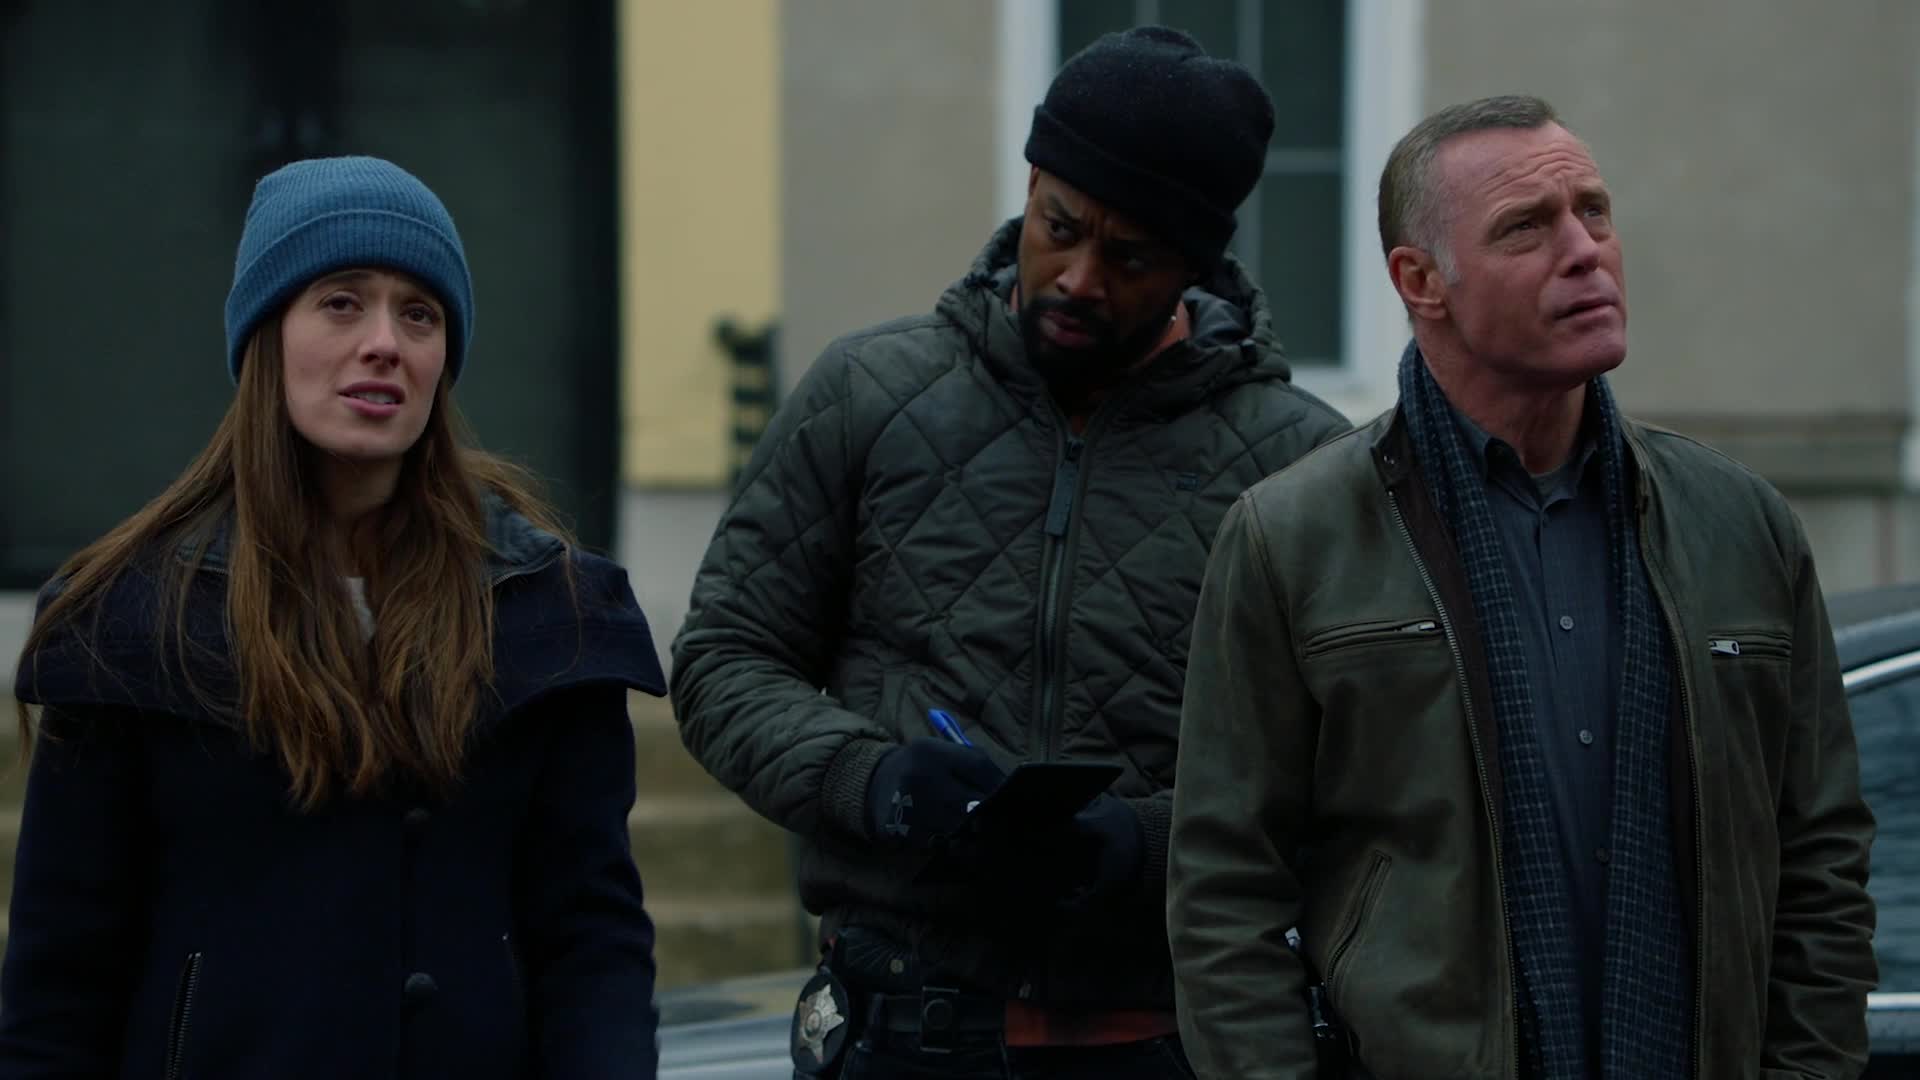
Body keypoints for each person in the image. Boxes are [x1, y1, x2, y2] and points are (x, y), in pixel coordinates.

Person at [670, 25, 1350, 1080]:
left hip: (1163, 1042)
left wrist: (1147, 843)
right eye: (1058, 227)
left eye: (1130, 258)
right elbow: (723, 660)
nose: (1077, 278)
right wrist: (873, 779)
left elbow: (1351, 769)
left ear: (1196, 265)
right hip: (896, 1034)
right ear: (1030, 189)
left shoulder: (1300, 465)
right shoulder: (868, 396)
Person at [1168, 94, 1878, 1079]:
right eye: (1526, 228)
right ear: (1421, 281)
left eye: (1594, 212)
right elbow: (1224, 891)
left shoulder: (1741, 524)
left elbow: (1821, 861)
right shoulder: (1293, 538)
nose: (1585, 252)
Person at [2, 156, 666, 1079]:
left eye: (419, 314)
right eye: (342, 303)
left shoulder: (547, 612)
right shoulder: (128, 620)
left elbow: (592, 943)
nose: (385, 342)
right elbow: (59, 984)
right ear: (266, 336)